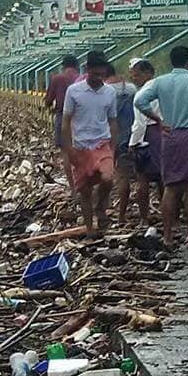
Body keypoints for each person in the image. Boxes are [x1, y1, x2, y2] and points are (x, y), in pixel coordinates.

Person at [134, 45, 188, 250]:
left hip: (168, 137)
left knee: (170, 187)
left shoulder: (160, 82)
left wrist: (157, 119)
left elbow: (139, 100)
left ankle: (167, 236)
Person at [62, 51, 117, 237]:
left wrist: (113, 147)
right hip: (81, 146)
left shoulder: (110, 92)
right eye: (95, 74)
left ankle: (100, 206)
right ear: (87, 70)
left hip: (102, 143)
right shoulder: (74, 91)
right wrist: (69, 150)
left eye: (102, 75)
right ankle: (89, 228)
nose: (99, 78)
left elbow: (113, 121)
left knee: (108, 179)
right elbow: (66, 121)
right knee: (84, 190)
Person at [128, 58, 163, 224]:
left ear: (148, 73)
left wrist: (133, 143)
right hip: (163, 133)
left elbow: (140, 123)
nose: (134, 78)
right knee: (164, 178)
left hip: (148, 135)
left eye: (137, 75)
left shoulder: (141, 94)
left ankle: (144, 217)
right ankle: (168, 215)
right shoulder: (164, 89)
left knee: (142, 179)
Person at [104, 63, 137, 228]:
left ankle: (102, 212)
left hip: (109, 138)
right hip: (131, 136)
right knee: (131, 177)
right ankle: (122, 215)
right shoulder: (131, 88)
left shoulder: (104, 91)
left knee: (106, 177)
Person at [45, 54, 81, 192]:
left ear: (63, 66)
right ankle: (84, 183)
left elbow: (48, 100)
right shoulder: (82, 78)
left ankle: (73, 187)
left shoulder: (57, 78)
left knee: (66, 152)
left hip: (63, 116)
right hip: (81, 117)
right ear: (77, 66)